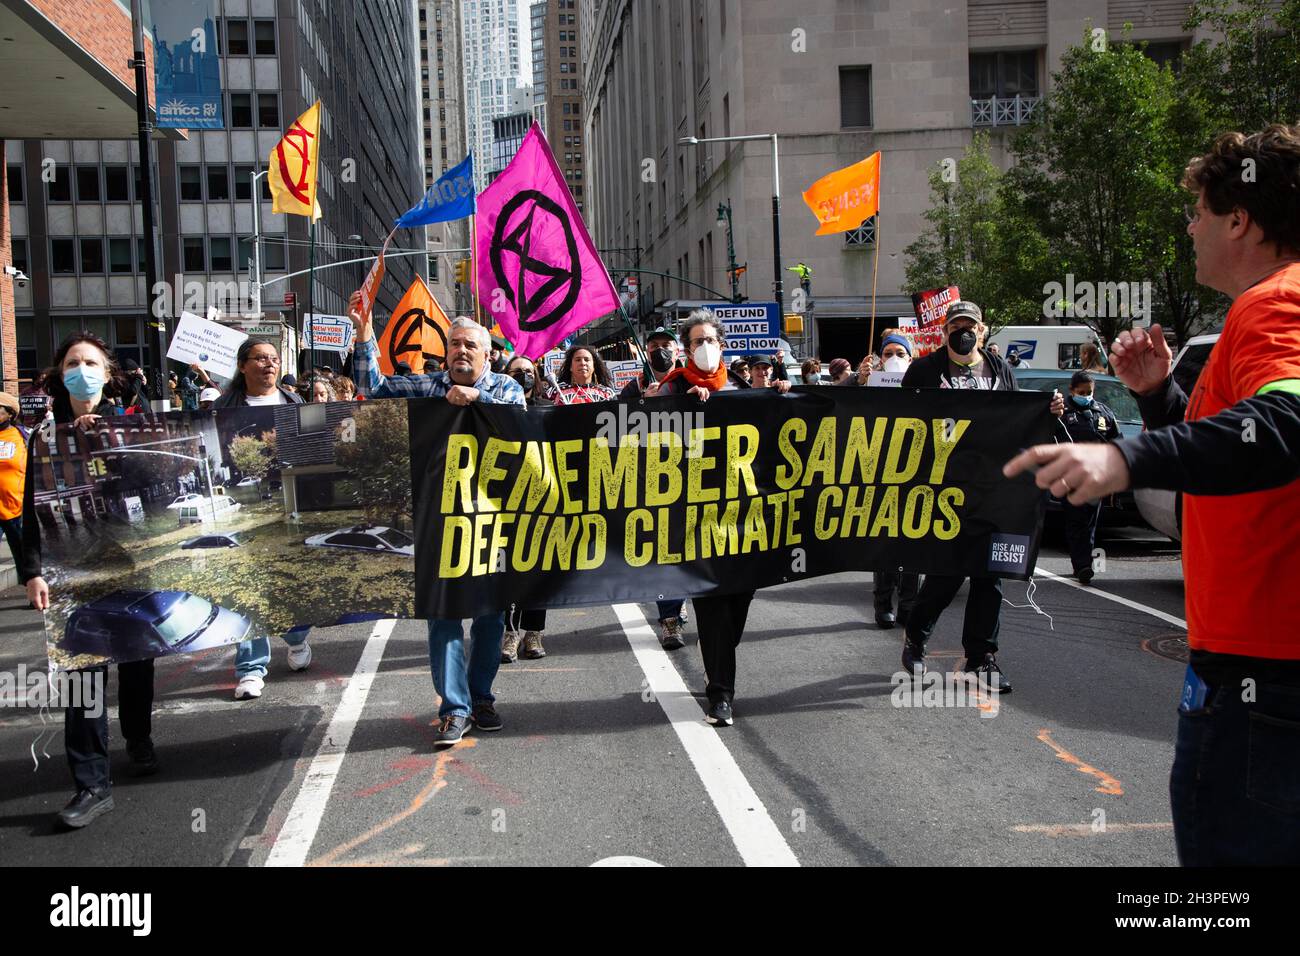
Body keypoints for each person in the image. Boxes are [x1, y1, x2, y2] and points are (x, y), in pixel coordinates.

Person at [1005, 124, 1300, 865]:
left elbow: (1288, 422)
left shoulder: (1275, 306)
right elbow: (1232, 457)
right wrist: (1161, 398)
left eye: (1198, 211)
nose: (1190, 226)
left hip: (1264, 669)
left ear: (1241, 220)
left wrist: (1122, 456)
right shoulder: (1261, 311)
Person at [351, 294, 525, 745]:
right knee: (443, 616)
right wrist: (364, 333)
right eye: (454, 345)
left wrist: (478, 399)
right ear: (444, 351)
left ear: (488, 354)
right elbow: (372, 388)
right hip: (440, 524)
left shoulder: (507, 389)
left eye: (471, 346)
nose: (461, 352)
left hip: (492, 522)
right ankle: (454, 708)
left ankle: (481, 697)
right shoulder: (426, 388)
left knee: (490, 614)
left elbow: (522, 429)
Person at [20, 333, 158, 828]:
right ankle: (92, 784)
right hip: (73, 573)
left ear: (108, 372)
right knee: (83, 674)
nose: (83, 370)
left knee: (137, 661)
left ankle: (138, 739)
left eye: (91, 362)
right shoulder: (42, 435)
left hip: (131, 564)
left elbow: (148, 485)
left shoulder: (132, 423)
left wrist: (110, 442)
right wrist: (32, 571)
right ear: (61, 373)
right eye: (74, 363)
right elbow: (28, 510)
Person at [900, 300, 1064, 692]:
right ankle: (916, 636)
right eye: (956, 324)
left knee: (990, 576)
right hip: (945, 487)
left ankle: (981, 658)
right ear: (944, 331)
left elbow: (1017, 418)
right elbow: (902, 422)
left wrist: (1048, 411)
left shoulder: (999, 368)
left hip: (996, 491)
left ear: (983, 330)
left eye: (970, 325)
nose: (964, 330)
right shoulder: (924, 370)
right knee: (946, 573)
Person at [648, 309, 751, 725]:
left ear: (721, 346)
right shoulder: (672, 385)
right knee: (711, 606)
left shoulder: (741, 385)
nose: (704, 348)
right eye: (696, 342)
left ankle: (721, 660)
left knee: (738, 603)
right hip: (695, 520)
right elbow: (641, 434)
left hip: (745, 519)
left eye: (711, 340)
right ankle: (720, 693)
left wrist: (782, 393)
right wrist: (670, 405)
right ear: (685, 349)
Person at [213, 340, 306, 699]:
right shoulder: (222, 409)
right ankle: (251, 669)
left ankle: (297, 637)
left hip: (290, 502)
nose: (269, 364)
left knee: (290, 582)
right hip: (248, 509)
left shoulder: (294, 402)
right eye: (260, 358)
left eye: (274, 358)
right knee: (249, 586)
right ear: (242, 366)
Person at [861, 331, 922, 626]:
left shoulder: (924, 386)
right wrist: (859, 384)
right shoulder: (870, 384)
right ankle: (883, 602)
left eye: (900, 354)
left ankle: (909, 604)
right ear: (879, 359)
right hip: (880, 473)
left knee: (912, 540)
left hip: (915, 473)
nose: (894, 359)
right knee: (883, 542)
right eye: (888, 354)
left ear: (910, 359)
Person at [501, 354, 554, 663]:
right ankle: (510, 633)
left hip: (542, 499)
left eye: (527, 371)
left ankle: (534, 633)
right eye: (515, 371)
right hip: (505, 500)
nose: (522, 375)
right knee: (508, 569)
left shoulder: (548, 408)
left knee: (539, 569)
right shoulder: (495, 409)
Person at [1059, 371, 1120, 584]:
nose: (1085, 395)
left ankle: (1085, 562)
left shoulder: (1102, 412)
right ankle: (1082, 565)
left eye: (1089, 392)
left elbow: (1116, 441)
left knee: (1090, 523)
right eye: (1081, 392)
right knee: (1076, 521)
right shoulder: (1062, 412)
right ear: (1071, 391)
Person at [0, 392, 28, 571]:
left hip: (16, 509)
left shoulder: (23, 436)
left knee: (25, 561)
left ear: (10, 413)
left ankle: (35, 598)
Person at [547, 344, 619, 405]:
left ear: (594, 366)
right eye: (578, 360)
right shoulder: (554, 393)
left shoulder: (608, 394)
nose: (583, 363)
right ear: (570, 367)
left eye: (587, 360)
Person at [619, 327, 679, 400]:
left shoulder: (688, 382)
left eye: (665, 345)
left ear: (677, 353)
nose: (660, 349)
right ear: (647, 353)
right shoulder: (633, 388)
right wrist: (644, 401)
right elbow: (622, 410)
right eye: (654, 346)